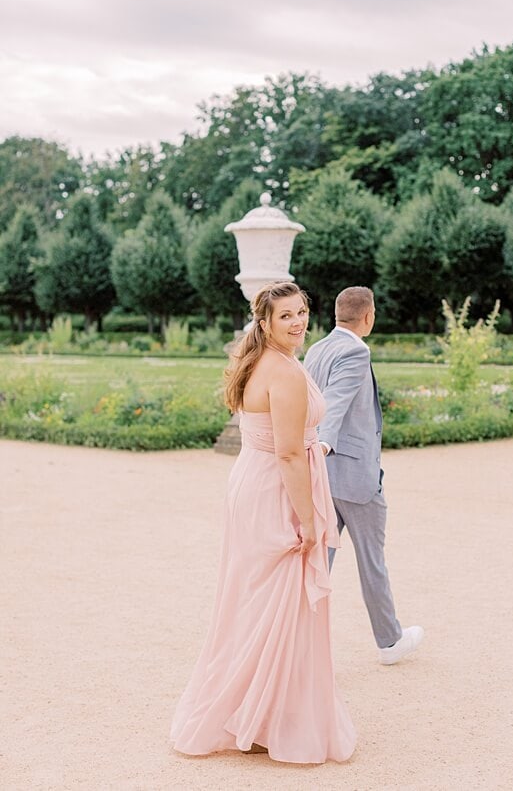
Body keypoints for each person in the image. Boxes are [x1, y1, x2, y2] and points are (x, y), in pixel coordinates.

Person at [171, 281, 355, 763]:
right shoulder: (286, 373)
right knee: (278, 604)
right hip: (275, 489)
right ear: (265, 323)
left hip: (251, 483)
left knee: (254, 602)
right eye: (285, 316)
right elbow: (292, 453)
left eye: (300, 313)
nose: (296, 322)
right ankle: (265, 718)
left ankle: (257, 715)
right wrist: (310, 521)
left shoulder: (259, 361)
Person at [304, 286, 424, 665]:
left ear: (337, 313)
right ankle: (389, 641)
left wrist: (315, 457)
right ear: (368, 316)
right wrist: (322, 445)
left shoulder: (317, 349)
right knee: (372, 561)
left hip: (324, 478)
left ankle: (299, 642)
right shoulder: (356, 350)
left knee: (317, 564)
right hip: (355, 477)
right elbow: (335, 403)